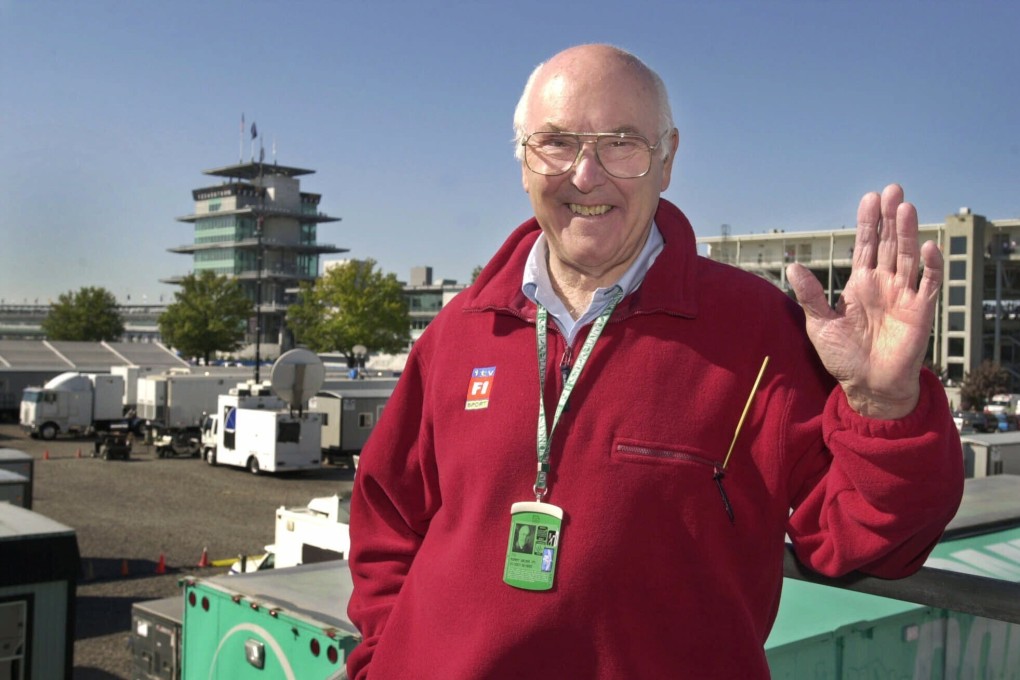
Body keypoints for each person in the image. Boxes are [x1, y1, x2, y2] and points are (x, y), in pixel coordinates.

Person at [346, 44, 964, 679]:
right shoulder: (458, 332)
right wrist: (383, 660)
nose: (586, 175)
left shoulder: (761, 334)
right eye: (556, 142)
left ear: (667, 159)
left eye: (621, 143)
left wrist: (885, 404)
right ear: (523, 162)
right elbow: (386, 520)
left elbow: (867, 540)